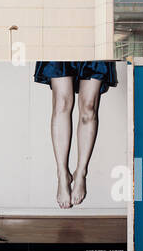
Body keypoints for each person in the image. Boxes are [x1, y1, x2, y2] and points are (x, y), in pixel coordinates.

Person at [33, 61, 118, 209]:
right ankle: (62, 174)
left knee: (89, 108)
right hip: (60, 43)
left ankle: (81, 172)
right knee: (62, 103)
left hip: (93, 47)